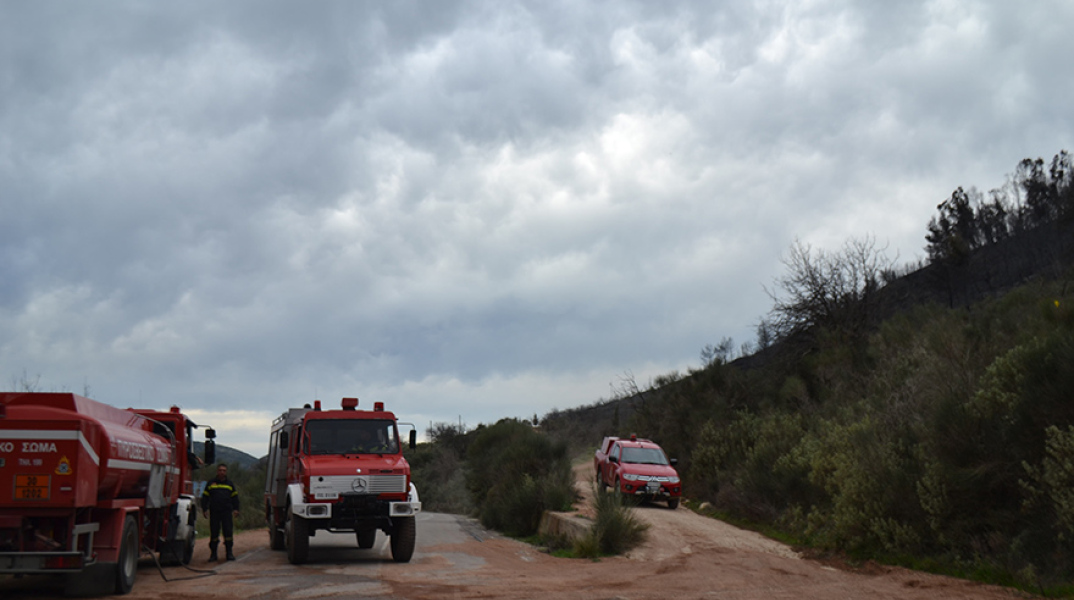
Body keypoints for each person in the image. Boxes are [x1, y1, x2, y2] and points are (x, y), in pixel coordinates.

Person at [201, 464, 240, 561]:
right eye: (220, 470)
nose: (222, 472)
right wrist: (204, 509)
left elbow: (235, 498)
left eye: (224, 470)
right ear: (217, 471)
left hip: (226, 512)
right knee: (214, 533)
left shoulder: (230, 484)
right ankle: (213, 554)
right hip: (214, 512)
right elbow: (205, 497)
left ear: (226, 472)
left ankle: (229, 553)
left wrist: (236, 509)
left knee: (228, 533)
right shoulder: (211, 483)